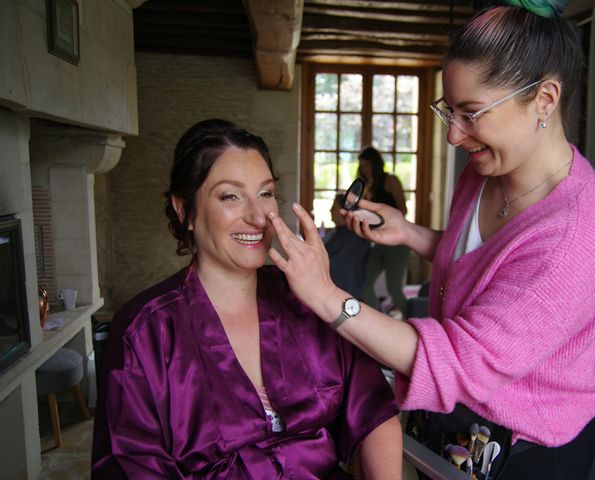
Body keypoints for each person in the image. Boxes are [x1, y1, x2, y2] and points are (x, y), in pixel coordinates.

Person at [266, 1, 595, 478]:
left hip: (527, 451)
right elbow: (495, 267)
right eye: (449, 111)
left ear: (544, 98)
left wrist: (329, 297)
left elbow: (461, 361)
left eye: (472, 113)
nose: (454, 136)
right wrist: (412, 234)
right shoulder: (484, 173)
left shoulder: (575, 236)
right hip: (460, 425)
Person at [91, 119, 402, 479]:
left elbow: (375, 412)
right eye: (230, 196)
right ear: (183, 210)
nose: (257, 217)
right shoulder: (144, 332)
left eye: (266, 193)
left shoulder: (306, 299)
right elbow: (132, 466)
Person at [357, 146, 410, 316]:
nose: (364, 169)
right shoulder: (365, 186)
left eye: (367, 165)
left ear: (375, 164)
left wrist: (386, 220)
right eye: (362, 165)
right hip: (377, 242)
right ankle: (376, 323)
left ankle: (417, 324)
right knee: (366, 285)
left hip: (397, 242)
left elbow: (403, 209)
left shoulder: (389, 180)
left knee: (394, 289)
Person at [323, 193, 371, 299]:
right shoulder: (342, 234)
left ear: (344, 212)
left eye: (333, 207)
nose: (330, 211)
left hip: (344, 297)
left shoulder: (351, 238)